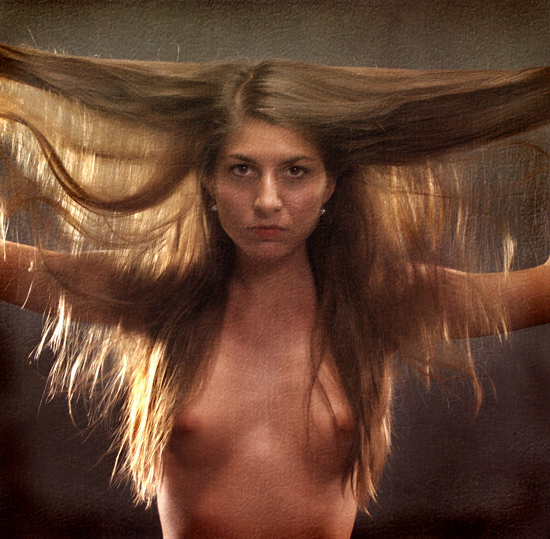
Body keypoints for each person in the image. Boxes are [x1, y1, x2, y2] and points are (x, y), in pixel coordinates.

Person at [0, 43, 549, 538]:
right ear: (209, 181)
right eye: (242, 170)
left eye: (295, 172)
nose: (267, 200)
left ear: (330, 184)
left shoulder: (378, 298)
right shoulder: (156, 293)